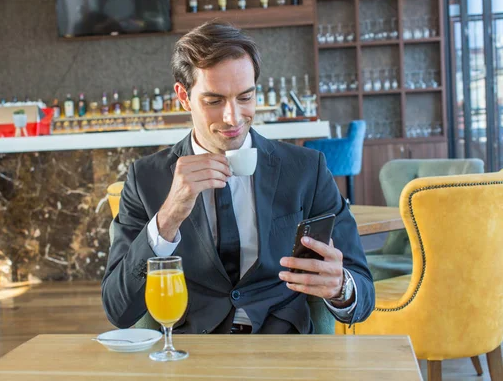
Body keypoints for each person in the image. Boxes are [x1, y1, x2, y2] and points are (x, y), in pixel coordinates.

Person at [102, 21, 374, 334]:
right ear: (183, 96)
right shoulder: (146, 179)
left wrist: (341, 287)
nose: (233, 118)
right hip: (194, 353)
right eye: (214, 101)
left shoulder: (305, 169)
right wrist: (168, 217)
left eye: (245, 98)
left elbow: (363, 293)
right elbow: (118, 310)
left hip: (283, 349)